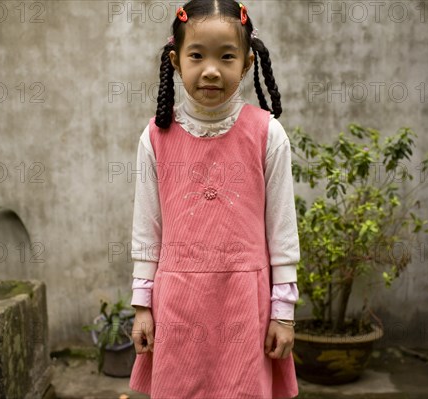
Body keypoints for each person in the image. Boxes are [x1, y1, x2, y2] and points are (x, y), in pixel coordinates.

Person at [128, 1, 300, 397]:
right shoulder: (156, 135)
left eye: (226, 56)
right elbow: (146, 228)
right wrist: (142, 306)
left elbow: (282, 231)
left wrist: (284, 313)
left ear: (247, 62)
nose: (210, 69)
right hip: (177, 303)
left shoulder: (267, 134)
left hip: (245, 305)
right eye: (196, 55)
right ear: (175, 60)